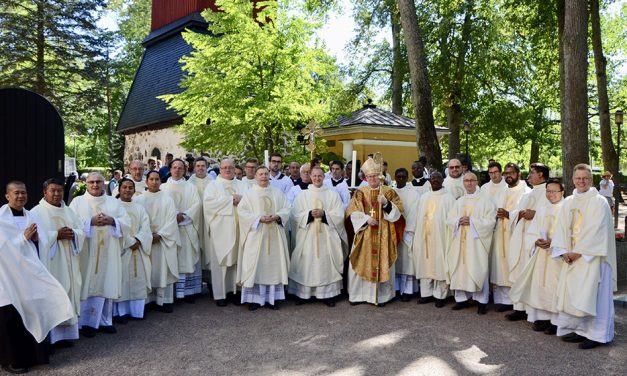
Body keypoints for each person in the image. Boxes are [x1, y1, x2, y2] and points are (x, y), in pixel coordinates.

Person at [0, 181, 74, 374]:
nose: (20, 197)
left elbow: (43, 241)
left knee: (35, 309)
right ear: (7, 196)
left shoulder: (31, 216)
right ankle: (11, 360)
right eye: (16, 193)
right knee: (12, 318)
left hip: (29, 276)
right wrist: (22, 239)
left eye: (23, 193)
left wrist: (36, 240)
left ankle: (35, 355)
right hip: (8, 277)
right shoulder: (1, 218)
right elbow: (2, 249)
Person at [550, 164, 617, 349]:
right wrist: (563, 251)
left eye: (585, 178)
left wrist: (577, 252)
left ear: (591, 180)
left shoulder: (599, 202)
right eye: (578, 178)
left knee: (595, 295)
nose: (581, 181)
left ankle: (597, 335)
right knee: (575, 294)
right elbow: (561, 227)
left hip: (593, 257)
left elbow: (598, 231)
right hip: (572, 256)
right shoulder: (569, 201)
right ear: (572, 180)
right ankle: (580, 330)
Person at [69, 172, 130, 338]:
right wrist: (90, 222)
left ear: (104, 183)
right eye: (91, 182)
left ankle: (105, 321)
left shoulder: (113, 202)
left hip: (108, 252)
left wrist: (112, 221)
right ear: (86, 183)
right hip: (86, 253)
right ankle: (86, 323)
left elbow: (126, 223)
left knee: (107, 283)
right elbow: (71, 224)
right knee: (87, 283)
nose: (95, 185)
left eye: (98, 182)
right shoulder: (77, 202)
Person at [31, 178, 85, 347]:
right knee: (54, 296)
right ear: (44, 193)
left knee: (69, 294)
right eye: (52, 191)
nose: (56, 194)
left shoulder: (69, 211)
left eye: (59, 191)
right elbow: (34, 238)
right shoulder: (36, 212)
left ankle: (66, 336)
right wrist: (56, 235)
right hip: (51, 264)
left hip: (69, 260)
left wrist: (75, 234)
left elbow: (81, 229)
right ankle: (52, 339)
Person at [346, 158, 404, 306]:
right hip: (364, 235)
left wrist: (386, 204)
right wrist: (366, 219)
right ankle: (359, 295)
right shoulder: (360, 192)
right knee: (361, 261)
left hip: (384, 234)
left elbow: (400, 214)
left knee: (383, 262)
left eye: (375, 176)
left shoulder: (389, 192)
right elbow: (351, 212)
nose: (372, 179)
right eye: (369, 176)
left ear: (380, 176)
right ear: (366, 177)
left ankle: (382, 297)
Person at [509, 178, 565, 334]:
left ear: (562, 192)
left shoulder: (567, 209)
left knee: (555, 287)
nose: (551, 194)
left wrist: (554, 243)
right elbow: (532, 231)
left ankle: (556, 321)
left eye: (555, 191)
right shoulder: (542, 208)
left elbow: (571, 234)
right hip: (541, 254)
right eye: (548, 191)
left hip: (558, 256)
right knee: (541, 285)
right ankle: (543, 318)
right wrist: (536, 241)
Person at [288, 166, 347, 306]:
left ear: (324, 177)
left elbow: (339, 214)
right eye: (314, 176)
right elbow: (295, 214)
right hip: (308, 235)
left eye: (319, 176)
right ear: (310, 177)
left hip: (327, 236)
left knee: (325, 263)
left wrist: (324, 214)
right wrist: (308, 215)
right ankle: (304, 294)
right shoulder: (303, 195)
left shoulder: (332, 195)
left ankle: (328, 294)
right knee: (306, 262)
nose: (316, 178)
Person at [237, 166, 290, 310]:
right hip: (256, 235)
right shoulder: (249, 194)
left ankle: (273, 299)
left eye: (266, 174)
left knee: (274, 266)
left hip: (275, 235)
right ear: (255, 176)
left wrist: (278, 216)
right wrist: (258, 218)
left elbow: (287, 209)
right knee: (256, 265)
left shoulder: (277, 193)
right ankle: (255, 299)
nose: (264, 177)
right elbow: (242, 212)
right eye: (261, 174)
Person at [446, 172, 496, 315]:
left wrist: (473, 222)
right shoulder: (459, 201)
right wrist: (457, 221)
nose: (468, 183)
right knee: (460, 269)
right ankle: (461, 299)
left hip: (476, 243)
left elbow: (491, 221)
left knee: (478, 268)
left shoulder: (486, 201)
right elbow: (449, 218)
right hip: (460, 241)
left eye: (471, 180)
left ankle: (481, 301)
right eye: (466, 181)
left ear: (476, 182)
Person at [505, 162, 548, 321]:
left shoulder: (549, 192)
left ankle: (534, 312)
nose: (528, 176)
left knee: (533, 275)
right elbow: (517, 212)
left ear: (541, 175)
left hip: (536, 240)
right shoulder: (527, 194)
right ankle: (519, 308)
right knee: (519, 272)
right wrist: (520, 213)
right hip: (522, 239)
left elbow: (553, 213)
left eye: (532, 173)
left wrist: (535, 214)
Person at [134, 171, 180, 313]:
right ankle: (147, 301)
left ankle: (164, 301)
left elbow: (172, 220)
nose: (154, 182)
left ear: (160, 181)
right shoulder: (139, 200)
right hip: (146, 242)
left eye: (157, 179)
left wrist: (160, 235)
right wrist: (146, 236)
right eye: (151, 179)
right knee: (146, 270)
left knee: (162, 270)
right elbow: (137, 221)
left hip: (162, 241)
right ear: (146, 181)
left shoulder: (167, 199)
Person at [203, 159, 247, 307]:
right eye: (225, 168)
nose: (228, 170)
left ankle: (236, 291)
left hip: (239, 229)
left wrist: (242, 200)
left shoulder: (242, 184)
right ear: (220, 169)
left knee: (237, 261)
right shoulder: (213, 185)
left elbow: (250, 202)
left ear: (235, 169)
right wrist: (230, 200)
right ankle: (220, 294)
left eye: (231, 167)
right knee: (221, 263)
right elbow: (208, 205)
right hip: (220, 231)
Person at [489, 163, 530, 312]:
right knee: (501, 265)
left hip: (516, 235)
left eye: (511, 173)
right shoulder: (503, 190)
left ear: (519, 174)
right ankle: (504, 300)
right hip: (500, 233)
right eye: (506, 173)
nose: (508, 176)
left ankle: (517, 303)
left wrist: (508, 214)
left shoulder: (526, 191)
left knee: (514, 265)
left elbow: (526, 214)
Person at [161, 159, 202, 303]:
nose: (177, 170)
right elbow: (161, 207)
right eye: (174, 167)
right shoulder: (163, 187)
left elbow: (197, 205)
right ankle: (171, 293)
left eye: (180, 168)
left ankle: (188, 292)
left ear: (184, 170)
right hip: (170, 230)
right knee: (171, 258)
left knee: (186, 257)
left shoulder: (190, 187)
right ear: (170, 169)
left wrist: (183, 216)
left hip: (186, 227)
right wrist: (174, 216)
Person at [413, 172, 455, 307]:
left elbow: (452, 219)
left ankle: (440, 295)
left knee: (440, 264)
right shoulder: (424, 197)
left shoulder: (449, 198)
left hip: (441, 237)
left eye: (438, 178)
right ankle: (426, 294)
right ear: (429, 180)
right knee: (425, 263)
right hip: (424, 236)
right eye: (432, 178)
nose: (435, 180)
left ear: (443, 180)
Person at [114, 179, 152, 322]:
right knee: (122, 280)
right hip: (123, 250)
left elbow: (146, 227)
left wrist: (138, 240)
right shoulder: (114, 206)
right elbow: (114, 227)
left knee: (138, 279)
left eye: (130, 188)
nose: (127, 190)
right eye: (124, 187)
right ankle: (122, 313)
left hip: (138, 249)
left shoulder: (139, 208)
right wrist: (130, 242)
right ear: (119, 189)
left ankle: (137, 312)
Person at [392, 168, 421, 301]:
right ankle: (397, 289)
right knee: (396, 260)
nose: (401, 179)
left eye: (404, 177)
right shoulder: (391, 192)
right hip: (393, 231)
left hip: (407, 231)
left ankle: (408, 291)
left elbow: (414, 212)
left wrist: (407, 229)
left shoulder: (413, 193)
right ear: (395, 177)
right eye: (399, 177)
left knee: (408, 261)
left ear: (407, 178)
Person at [187, 157, 213, 274]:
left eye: (203, 166)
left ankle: (209, 275)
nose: (200, 168)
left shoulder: (213, 182)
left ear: (207, 167)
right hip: (194, 220)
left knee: (209, 246)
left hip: (209, 220)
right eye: (198, 166)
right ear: (194, 167)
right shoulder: (188, 183)